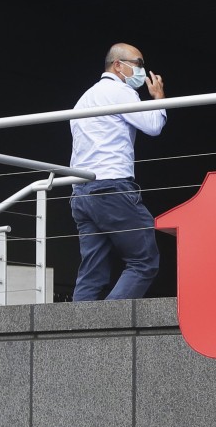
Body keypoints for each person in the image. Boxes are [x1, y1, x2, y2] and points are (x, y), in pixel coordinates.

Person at [69, 43, 166, 301]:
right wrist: (158, 97)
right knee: (144, 261)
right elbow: (153, 126)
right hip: (111, 187)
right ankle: (112, 323)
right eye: (138, 63)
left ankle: (75, 334)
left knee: (92, 271)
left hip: (81, 192)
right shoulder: (120, 92)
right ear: (118, 65)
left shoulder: (84, 99)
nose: (142, 70)